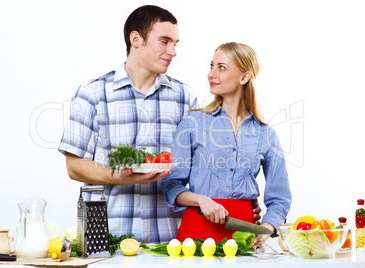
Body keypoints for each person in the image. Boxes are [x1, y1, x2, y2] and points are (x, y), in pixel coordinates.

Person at [59, 5, 261, 244]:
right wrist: (121, 178)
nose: (173, 51)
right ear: (136, 39)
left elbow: (199, 169)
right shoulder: (92, 93)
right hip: (107, 238)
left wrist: (237, 203)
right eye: (164, 42)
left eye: (175, 43)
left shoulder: (184, 97)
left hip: (171, 240)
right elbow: (74, 167)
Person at [162, 42, 291, 246]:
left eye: (221, 67)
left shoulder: (267, 135)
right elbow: (170, 185)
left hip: (244, 234)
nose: (211, 74)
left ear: (244, 77)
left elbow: (280, 198)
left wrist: (266, 228)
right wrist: (201, 200)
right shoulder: (193, 123)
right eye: (211, 66)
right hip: (196, 232)